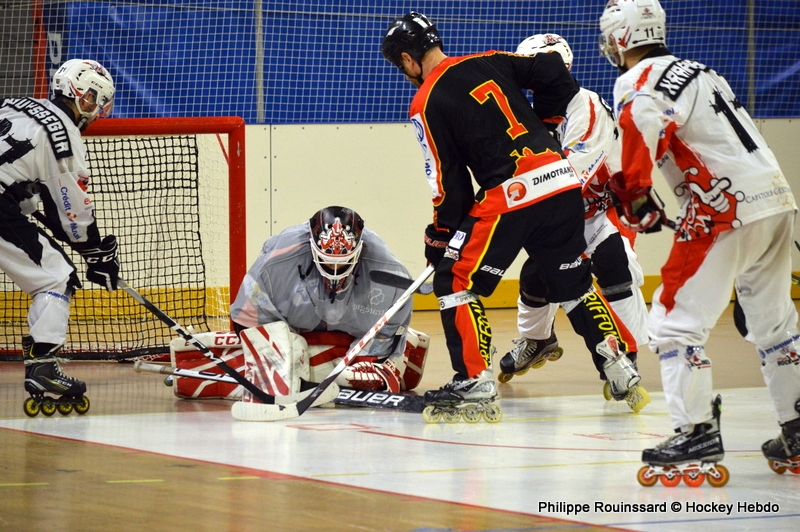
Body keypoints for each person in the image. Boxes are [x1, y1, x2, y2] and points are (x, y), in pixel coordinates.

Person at [381, 12, 644, 422]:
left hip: (513, 192)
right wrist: (549, 122)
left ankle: (472, 380)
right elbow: (553, 69)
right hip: (560, 182)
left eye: (401, 67)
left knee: (454, 279)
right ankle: (618, 366)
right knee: (571, 281)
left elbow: (449, 184)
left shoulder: (425, 101)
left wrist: (440, 237)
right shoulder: (488, 59)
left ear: (407, 59)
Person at [599, 0, 800, 484]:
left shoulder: (638, 79)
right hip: (775, 198)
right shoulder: (702, 71)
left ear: (622, 38)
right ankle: (797, 424)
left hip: (722, 206)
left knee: (671, 321)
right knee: (774, 321)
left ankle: (695, 429)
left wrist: (637, 196)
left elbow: (638, 129)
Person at [499, 33, 650, 411]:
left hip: (602, 208)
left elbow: (572, 178)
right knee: (536, 275)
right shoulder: (525, 113)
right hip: (560, 213)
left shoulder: (588, 108)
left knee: (615, 265)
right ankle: (537, 340)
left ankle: (625, 355)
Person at [0, 59, 120, 416]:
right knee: (57, 276)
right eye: (95, 101)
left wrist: (23, 194)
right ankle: (43, 365)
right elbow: (72, 212)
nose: (96, 111)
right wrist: (96, 253)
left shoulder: (16, 103)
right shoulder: (64, 133)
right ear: (83, 97)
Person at [225, 206, 428, 403]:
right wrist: (273, 355)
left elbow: (389, 329)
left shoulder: (391, 273)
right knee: (288, 357)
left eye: (345, 262)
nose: (335, 269)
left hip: (354, 328)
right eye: (327, 261)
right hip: (295, 323)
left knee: (369, 378)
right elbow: (246, 318)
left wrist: (369, 363)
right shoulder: (276, 262)